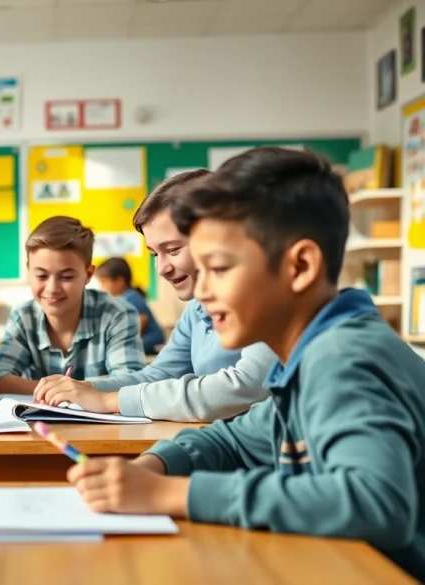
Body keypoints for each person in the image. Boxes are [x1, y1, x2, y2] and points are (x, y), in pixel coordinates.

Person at [68, 147, 425, 582]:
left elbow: (375, 504)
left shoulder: (342, 360)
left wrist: (175, 494)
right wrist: (155, 465)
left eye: (218, 268)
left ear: (300, 266)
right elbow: (237, 440)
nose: (203, 291)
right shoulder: (308, 355)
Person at [33, 170, 274, 423]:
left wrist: (108, 401)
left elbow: (247, 386)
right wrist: (86, 389)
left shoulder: (265, 296)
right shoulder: (197, 307)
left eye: (172, 250)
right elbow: (160, 375)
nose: (161, 268)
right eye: (154, 254)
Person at [0, 216, 145, 395]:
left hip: (103, 423)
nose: (52, 288)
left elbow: (130, 381)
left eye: (66, 277)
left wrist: (73, 390)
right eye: (41, 276)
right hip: (38, 422)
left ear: (88, 274)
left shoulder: (117, 313)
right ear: (29, 271)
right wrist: (58, 390)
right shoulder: (23, 317)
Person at [94, 257, 164, 354]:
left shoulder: (131, 298)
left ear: (120, 281)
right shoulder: (122, 299)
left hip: (150, 343)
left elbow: (141, 322)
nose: (102, 287)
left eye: (104, 282)